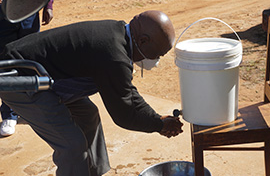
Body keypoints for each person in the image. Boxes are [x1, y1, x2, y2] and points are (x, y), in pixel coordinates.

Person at [0, 10, 183, 176]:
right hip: (20, 80)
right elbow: (124, 115)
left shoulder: (117, 35)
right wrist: (159, 126)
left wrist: (157, 118)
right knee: (72, 145)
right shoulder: (113, 55)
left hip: (48, 79)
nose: (156, 60)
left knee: (88, 115)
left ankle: (91, 173)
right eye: (158, 54)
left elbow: (126, 92)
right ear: (143, 40)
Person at [0, 0, 54, 136]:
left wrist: (48, 5)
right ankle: (9, 115)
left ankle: (34, 108)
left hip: (29, 10)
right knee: (6, 61)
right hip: (3, 11)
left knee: (30, 58)